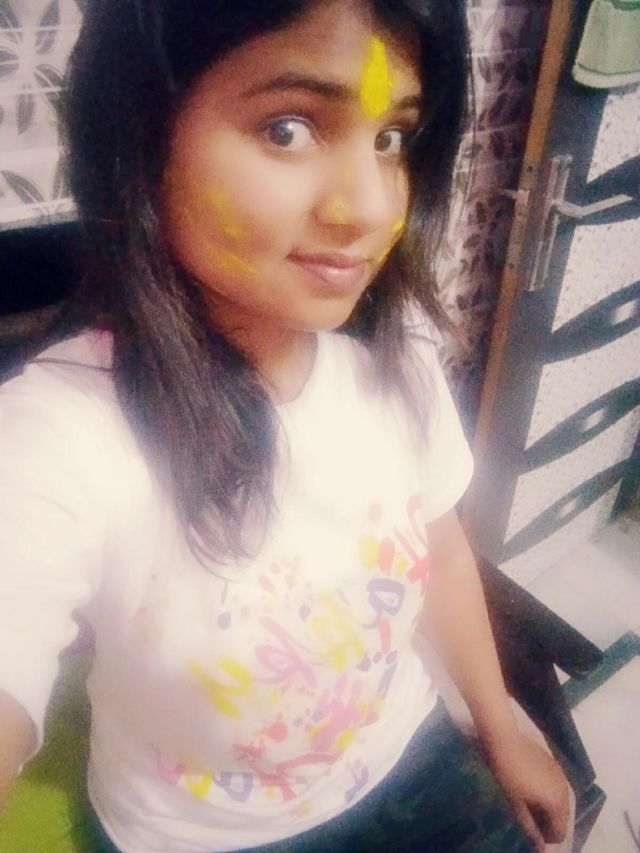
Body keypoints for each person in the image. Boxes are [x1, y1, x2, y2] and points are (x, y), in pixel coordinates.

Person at [0, 1, 571, 851]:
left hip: (407, 754)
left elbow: (440, 544)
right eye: (289, 128)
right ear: (142, 144)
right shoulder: (62, 430)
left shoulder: (396, 353)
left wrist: (500, 723)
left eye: (391, 138)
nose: (369, 208)